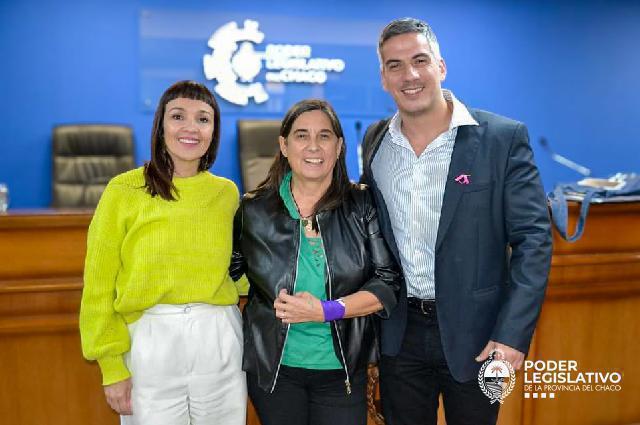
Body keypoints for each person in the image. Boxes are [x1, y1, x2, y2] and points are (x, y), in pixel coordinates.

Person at [360, 18, 553, 425]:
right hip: (399, 335)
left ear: (441, 67)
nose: (409, 75)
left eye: (420, 60)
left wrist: (512, 335)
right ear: (383, 78)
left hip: (480, 338)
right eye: (395, 65)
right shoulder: (376, 141)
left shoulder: (501, 138)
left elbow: (533, 240)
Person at [79, 80, 247, 425]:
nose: (190, 128)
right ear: (161, 126)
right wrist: (111, 366)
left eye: (203, 119)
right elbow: (98, 286)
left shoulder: (227, 194)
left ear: (214, 131)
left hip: (217, 336)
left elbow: (235, 269)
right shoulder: (123, 190)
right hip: (150, 341)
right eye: (178, 116)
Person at [230, 99, 401, 425]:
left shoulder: (362, 203)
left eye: (324, 136)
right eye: (301, 135)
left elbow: (387, 281)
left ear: (339, 146)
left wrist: (326, 310)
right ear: (284, 145)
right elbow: (225, 272)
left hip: (342, 370)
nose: (313, 146)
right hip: (274, 371)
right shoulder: (253, 209)